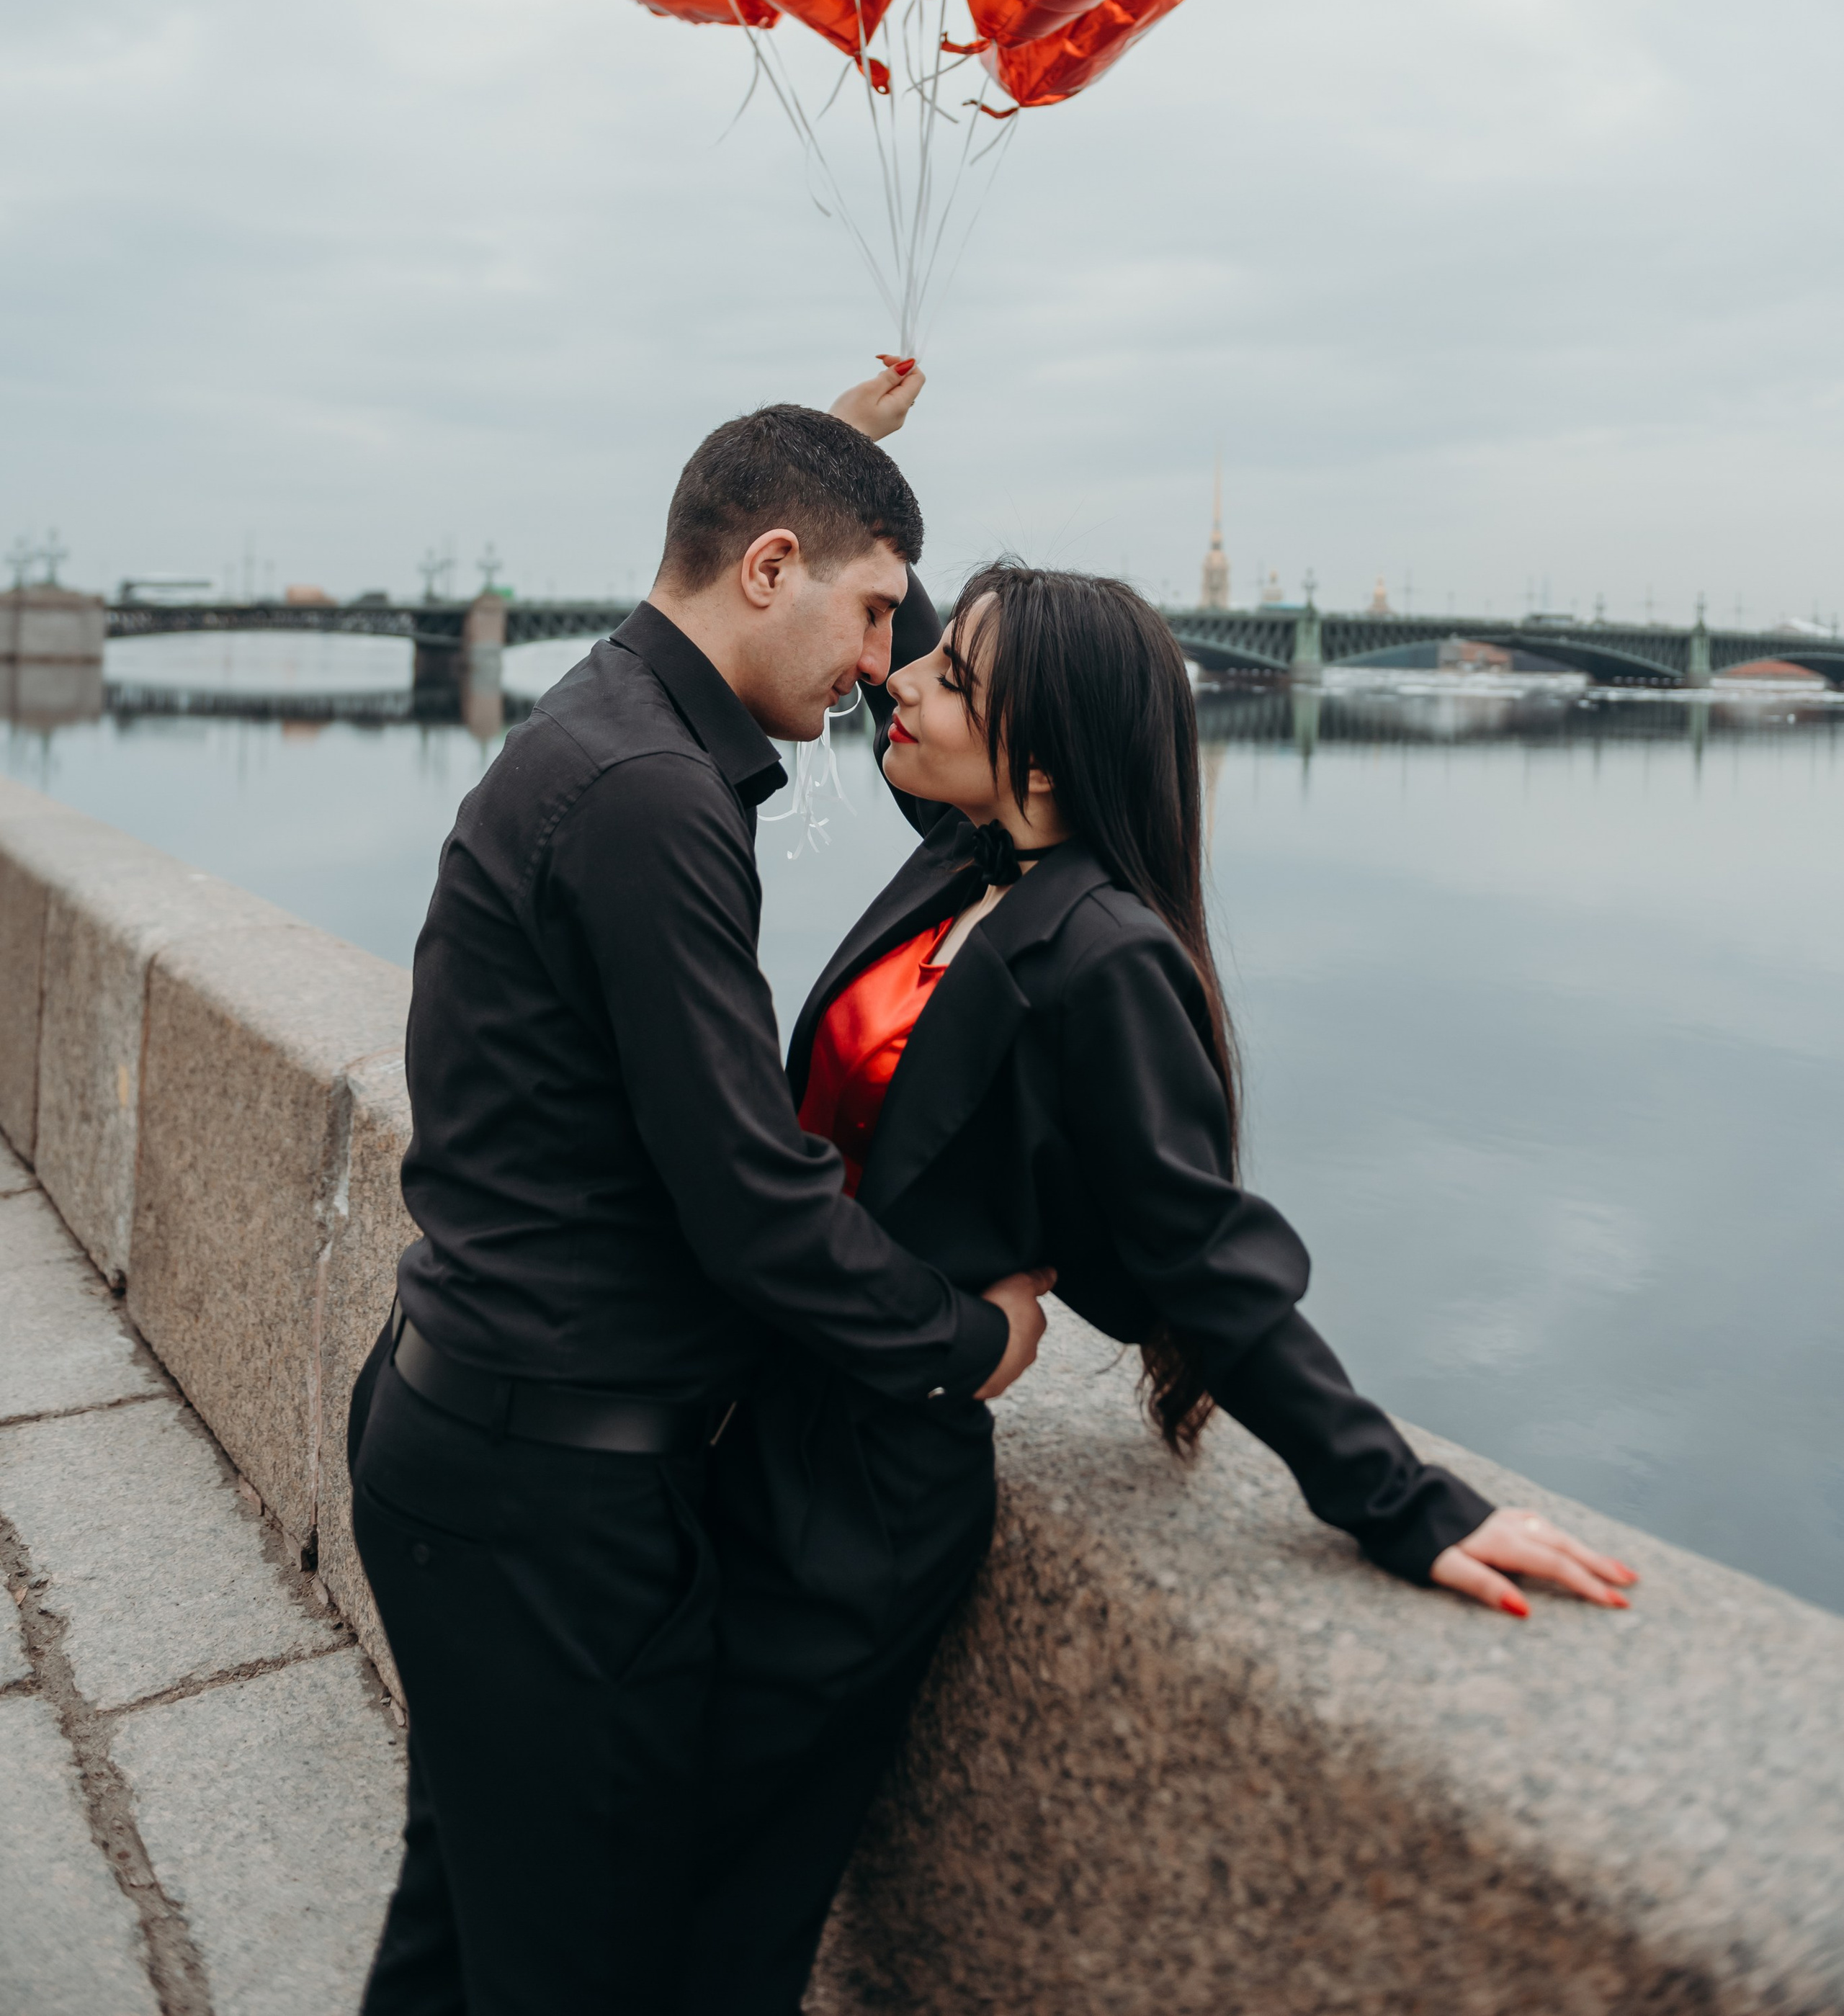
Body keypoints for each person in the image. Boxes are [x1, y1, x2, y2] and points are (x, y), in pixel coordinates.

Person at [683, 549, 1640, 2016]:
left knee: (732, 1898)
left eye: (949, 678)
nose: (900, 677)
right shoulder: (962, 862)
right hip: (759, 1423)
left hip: (865, 1495)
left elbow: (1210, 1262)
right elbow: (919, 643)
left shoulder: (1096, 957)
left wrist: (1400, 1503)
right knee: (668, 1854)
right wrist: (858, 474)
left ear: (1047, 762)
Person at [346, 403, 1052, 2016]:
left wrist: (817, 447)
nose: (887, 662)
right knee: (587, 1973)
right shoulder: (651, 799)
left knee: (462, 1937)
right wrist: (963, 1337)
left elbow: (764, 528)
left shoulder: (608, 720)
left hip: (470, 1435)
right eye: (878, 611)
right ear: (769, 569)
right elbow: (751, 1195)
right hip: (552, 1499)